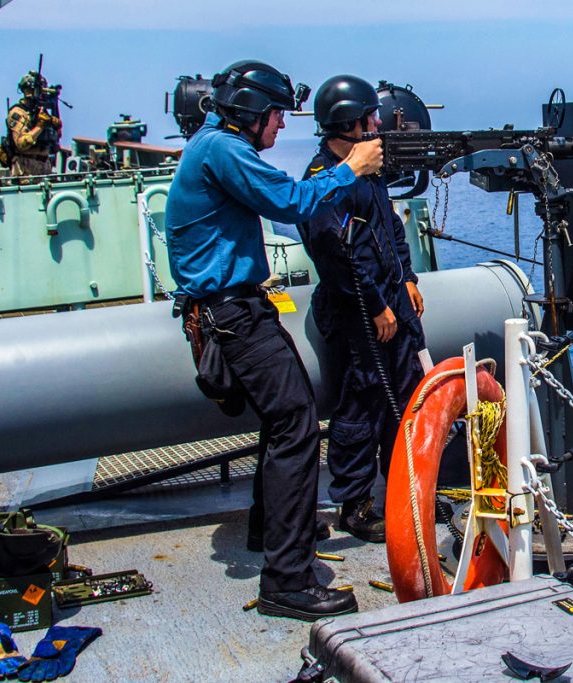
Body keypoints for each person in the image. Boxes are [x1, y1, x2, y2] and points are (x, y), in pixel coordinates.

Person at [163, 60, 383, 621]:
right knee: (296, 425)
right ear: (250, 112)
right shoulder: (223, 150)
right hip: (231, 314)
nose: (283, 127)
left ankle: (271, 529)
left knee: (288, 419)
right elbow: (290, 202)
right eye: (277, 115)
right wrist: (351, 168)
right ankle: (286, 581)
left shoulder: (212, 146)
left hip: (237, 310)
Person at [299, 75, 426, 543]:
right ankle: (356, 505)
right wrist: (374, 305)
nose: (377, 122)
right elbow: (334, 254)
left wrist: (408, 277)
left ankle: (403, 493)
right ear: (349, 123)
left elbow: (388, 225)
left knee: (405, 400)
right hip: (358, 310)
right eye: (370, 116)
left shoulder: (362, 169)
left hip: (391, 299)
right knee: (362, 405)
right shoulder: (323, 180)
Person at [4, 71, 62, 176]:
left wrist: (54, 122)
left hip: (45, 167)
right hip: (25, 169)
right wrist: (39, 126)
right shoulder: (18, 113)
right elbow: (21, 144)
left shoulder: (40, 112)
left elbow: (56, 139)